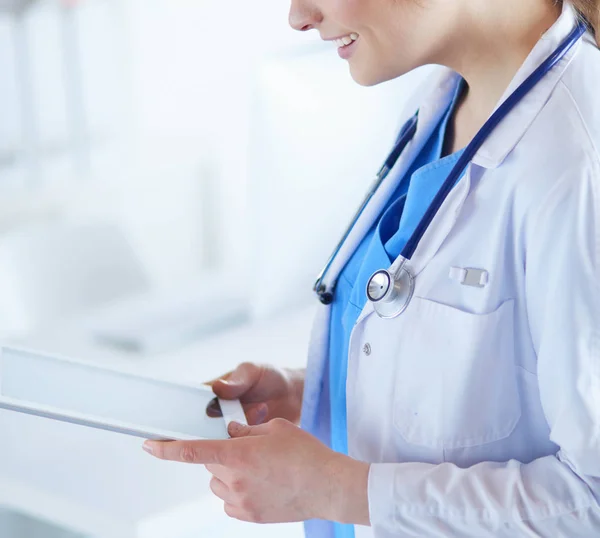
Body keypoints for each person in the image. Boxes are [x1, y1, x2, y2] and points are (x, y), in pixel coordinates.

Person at [142, 0, 600, 536]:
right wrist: (326, 392)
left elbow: (591, 501)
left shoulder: (577, 161)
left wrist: (336, 489)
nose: (299, 15)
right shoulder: (445, 104)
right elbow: (496, 375)